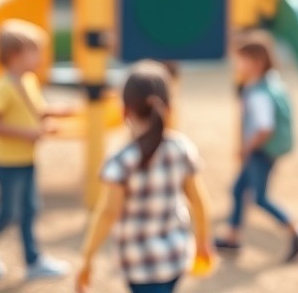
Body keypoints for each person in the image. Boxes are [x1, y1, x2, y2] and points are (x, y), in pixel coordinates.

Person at [76, 60, 214, 293]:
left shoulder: (121, 162)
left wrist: (87, 259)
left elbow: (108, 213)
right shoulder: (181, 148)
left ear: (124, 110)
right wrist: (202, 243)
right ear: (169, 107)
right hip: (175, 255)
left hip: (139, 263)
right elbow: (199, 202)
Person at [0, 19, 73, 281]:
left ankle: (32, 260)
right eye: (35, 51)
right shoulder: (4, 86)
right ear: (15, 55)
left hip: (25, 158)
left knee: (30, 209)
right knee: (9, 212)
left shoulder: (28, 80)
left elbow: (35, 111)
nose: (41, 57)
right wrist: (27, 133)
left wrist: (58, 114)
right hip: (7, 162)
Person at [214, 30, 298, 262]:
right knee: (238, 190)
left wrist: (246, 148)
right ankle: (232, 237)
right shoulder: (269, 81)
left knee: (259, 197)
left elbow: (264, 127)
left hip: (261, 151)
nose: (236, 64)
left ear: (256, 62)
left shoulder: (258, 92)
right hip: (264, 149)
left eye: (241, 59)